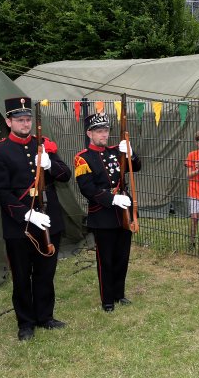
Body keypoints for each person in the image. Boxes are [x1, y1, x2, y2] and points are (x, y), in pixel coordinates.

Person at [0, 97, 71, 340]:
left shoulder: (43, 145)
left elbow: (65, 175)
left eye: (27, 119)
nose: (25, 123)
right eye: (19, 119)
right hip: (19, 225)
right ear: (8, 121)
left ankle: (45, 316)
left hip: (48, 220)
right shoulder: (0, 150)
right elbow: (0, 190)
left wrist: (49, 164)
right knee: (22, 275)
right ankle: (25, 323)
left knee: (46, 272)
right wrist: (26, 213)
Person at [75, 112, 141, 312]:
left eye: (106, 131)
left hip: (123, 213)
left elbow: (136, 167)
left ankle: (119, 293)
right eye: (100, 131)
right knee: (106, 259)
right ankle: (107, 299)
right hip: (102, 214)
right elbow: (88, 189)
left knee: (122, 256)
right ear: (90, 133)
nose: (104, 135)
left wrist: (131, 153)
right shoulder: (82, 158)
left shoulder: (115, 151)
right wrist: (112, 198)